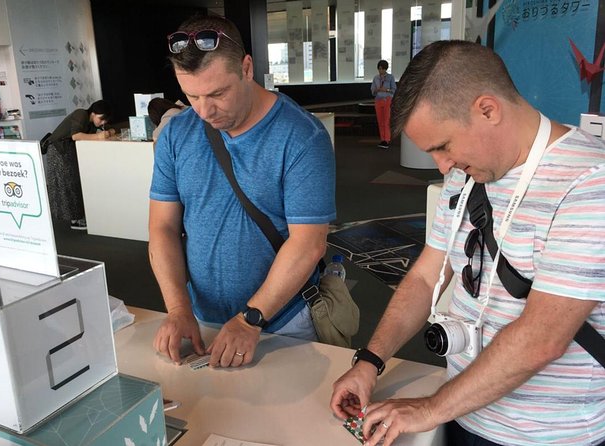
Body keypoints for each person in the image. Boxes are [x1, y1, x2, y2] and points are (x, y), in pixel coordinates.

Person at [331, 40, 605, 446]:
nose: (442, 167)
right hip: (460, 411)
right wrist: (370, 361)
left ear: (488, 110)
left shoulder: (589, 183)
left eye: (443, 146)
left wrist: (428, 409)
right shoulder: (467, 175)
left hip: (545, 437)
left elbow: (542, 338)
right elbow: (426, 277)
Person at [149, 15, 335, 369]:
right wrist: (177, 308)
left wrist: (251, 318)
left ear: (247, 68)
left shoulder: (301, 137)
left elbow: (309, 243)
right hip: (199, 319)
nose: (205, 110)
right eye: (192, 96)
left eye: (218, 93)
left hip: (280, 323)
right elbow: (162, 227)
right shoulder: (177, 135)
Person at [45, 100, 115, 230]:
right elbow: (76, 136)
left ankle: (78, 217)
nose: (103, 122)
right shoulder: (81, 114)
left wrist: (108, 132)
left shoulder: (90, 121)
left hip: (67, 151)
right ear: (93, 113)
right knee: (68, 184)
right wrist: (99, 136)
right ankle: (75, 220)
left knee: (74, 183)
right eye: (101, 119)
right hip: (58, 151)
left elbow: (109, 129)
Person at [370, 59, 395, 149]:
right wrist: (376, 90)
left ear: (386, 69)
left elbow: (394, 90)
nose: (381, 71)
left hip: (387, 100)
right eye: (379, 69)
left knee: (386, 121)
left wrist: (386, 90)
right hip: (378, 100)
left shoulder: (390, 77)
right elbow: (372, 90)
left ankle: (387, 139)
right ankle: (382, 139)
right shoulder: (376, 78)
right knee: (380, 121)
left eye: (382, 69)